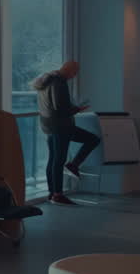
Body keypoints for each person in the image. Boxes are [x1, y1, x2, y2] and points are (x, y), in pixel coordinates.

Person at [32, 61, 99, 205]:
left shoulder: (46, 80)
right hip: (61, 126)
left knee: (53, 159)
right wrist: (77, 109)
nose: (75, 76)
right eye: (75, 72)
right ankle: (58, 193)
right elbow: (61, 108)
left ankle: (52, 193)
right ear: (69, 70)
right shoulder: (59, 83)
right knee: (91, 141)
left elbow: (53, 105)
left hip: (49, 125)